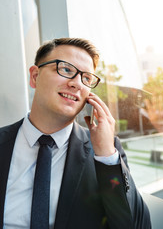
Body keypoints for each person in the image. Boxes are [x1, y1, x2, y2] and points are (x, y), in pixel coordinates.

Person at [0, 38, 151, 229]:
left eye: (86, 78)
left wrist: (106, 154)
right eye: (66, 70)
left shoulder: (105, 152)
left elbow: (135, 225)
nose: (77, 83)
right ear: (35, 76)